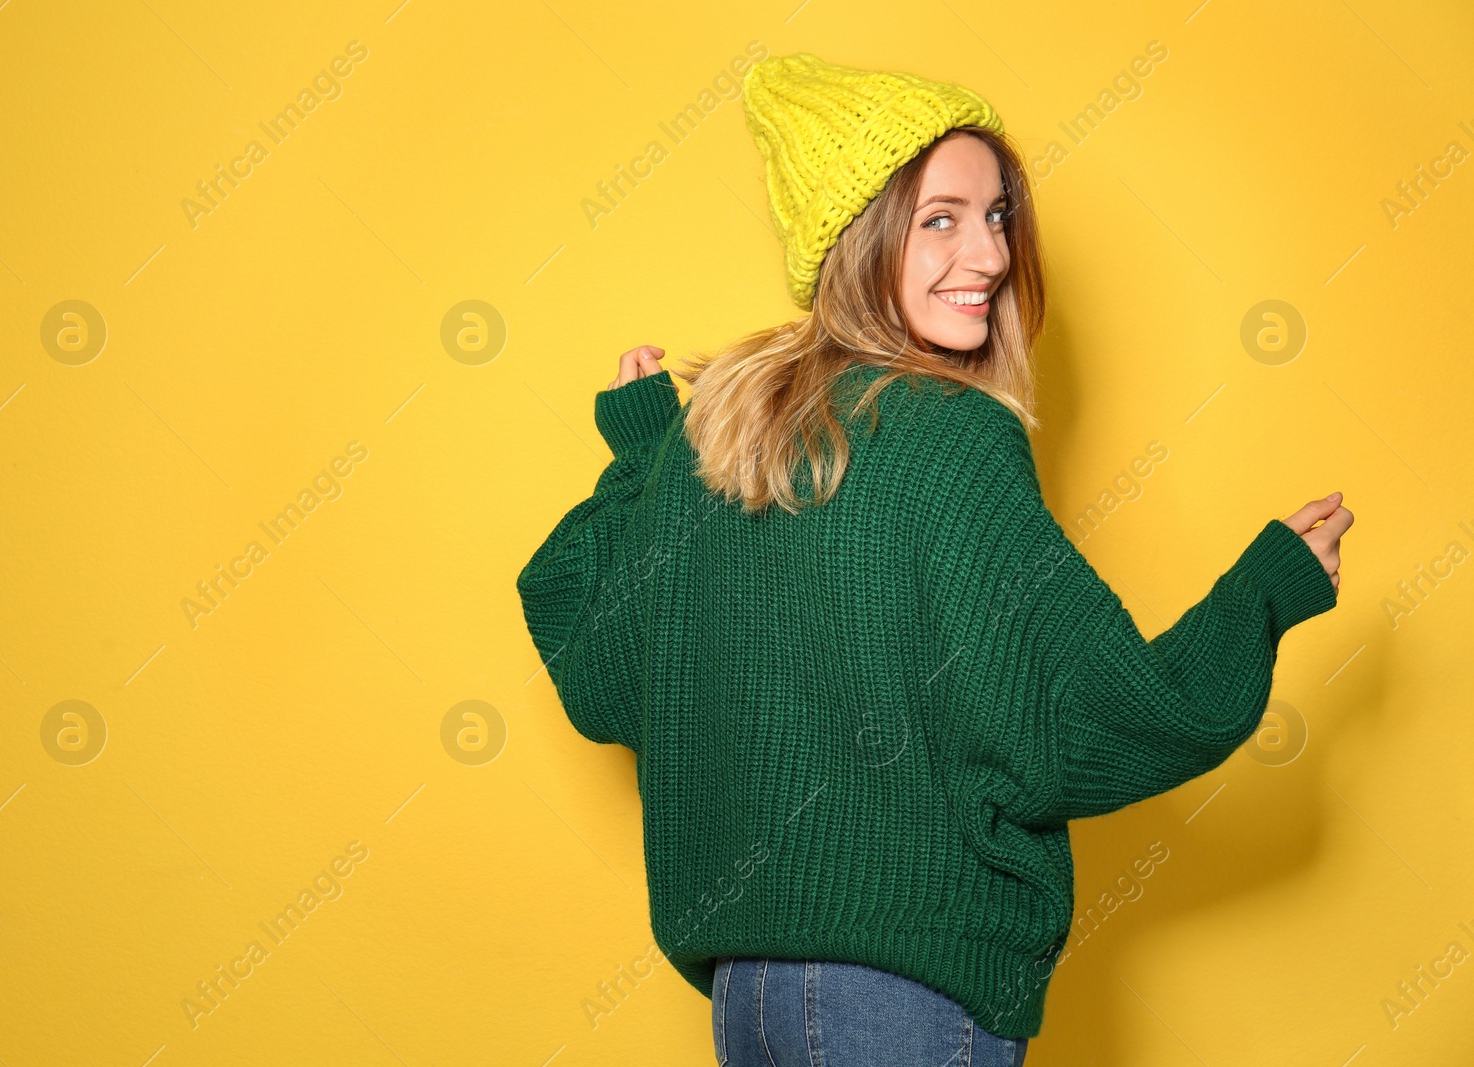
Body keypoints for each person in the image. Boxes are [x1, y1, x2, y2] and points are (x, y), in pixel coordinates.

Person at [517, 52, 1351, 1066]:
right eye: (941, 218)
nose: (991, 255)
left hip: (749, 997)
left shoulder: (718, 437)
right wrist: (1261, 595)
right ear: (859, 237)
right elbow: (1082, 715)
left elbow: (597, 653)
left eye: (997, 215)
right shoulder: (949, 432)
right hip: (906, 990)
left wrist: (645, 460)